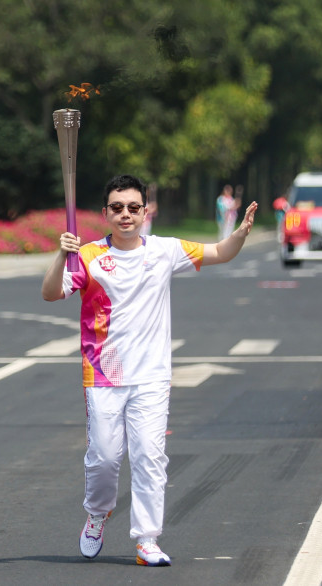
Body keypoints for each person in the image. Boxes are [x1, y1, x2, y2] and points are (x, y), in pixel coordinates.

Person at [42, 174, 257, 566]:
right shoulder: (88, 256)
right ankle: (96, 513)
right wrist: (61, 255)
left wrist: (240, 233)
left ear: (146, 211)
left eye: (133, 208)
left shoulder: (165, 250)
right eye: (117, 208)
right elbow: (51, 293)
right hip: (104, 374)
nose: (126, 215)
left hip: (152, 376)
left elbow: (221, 252)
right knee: (105, 457)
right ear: (106, 213)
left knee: (149, 456)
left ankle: (147, 539)